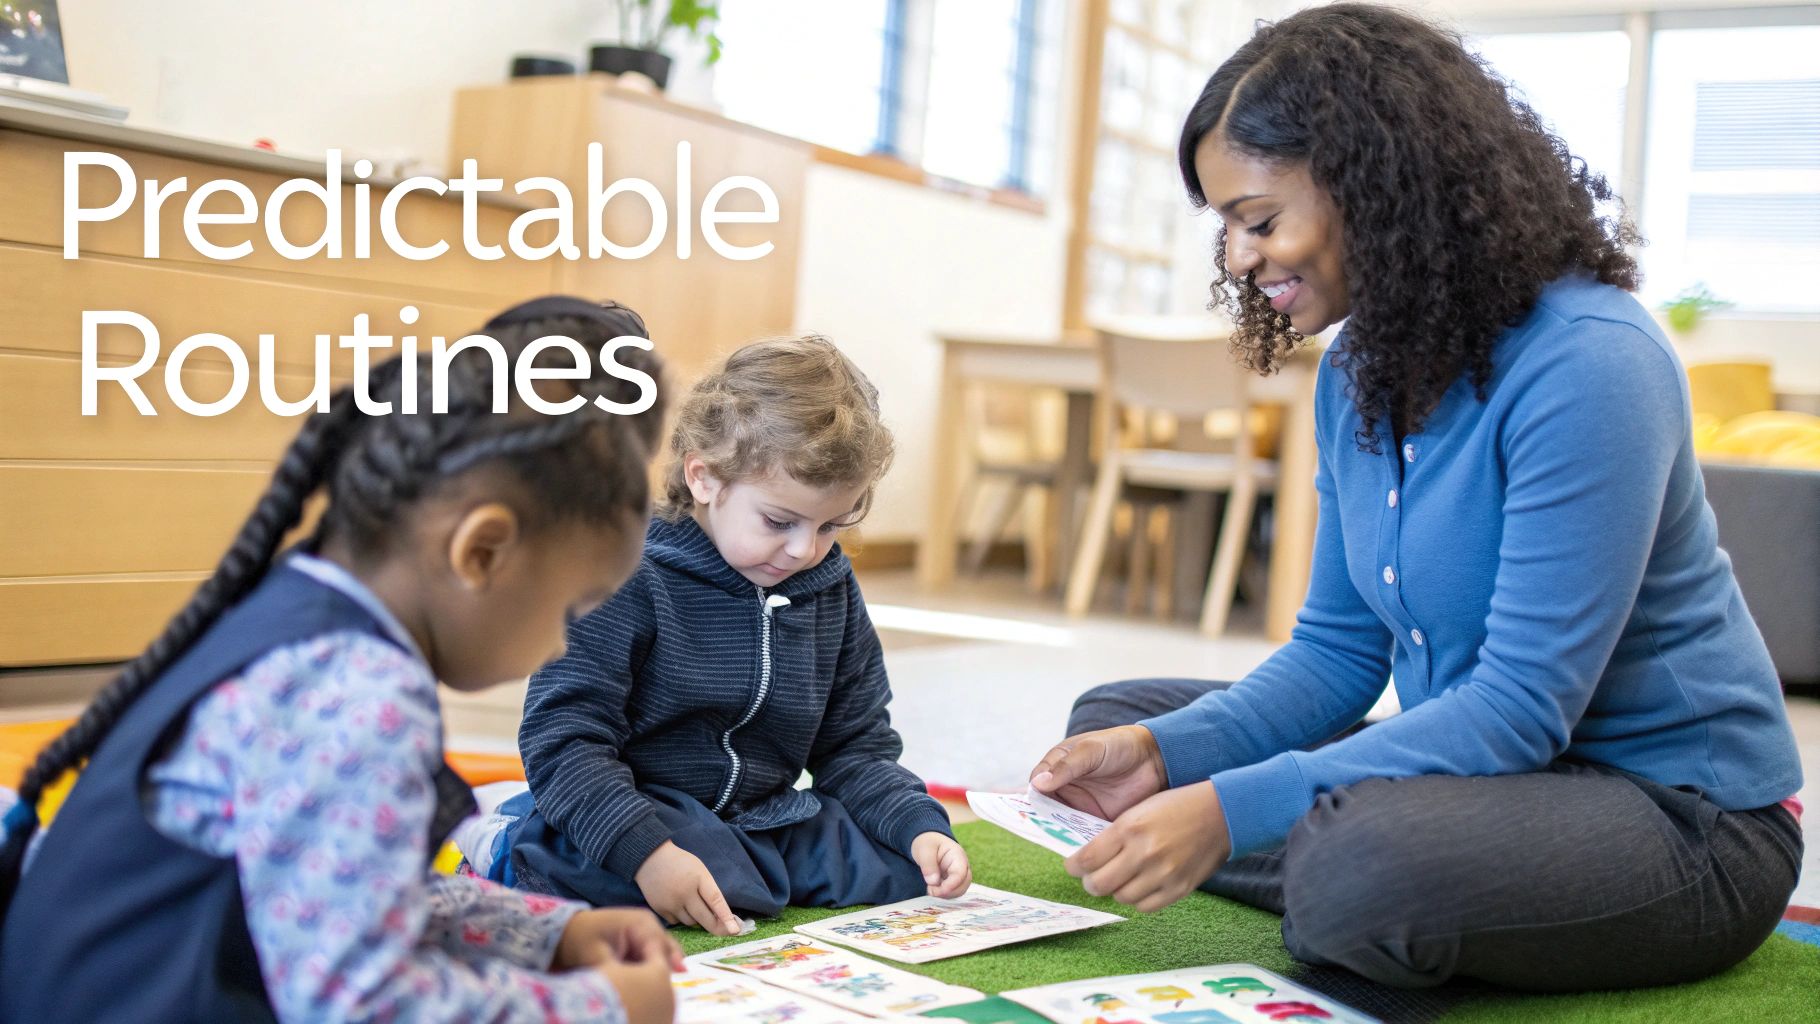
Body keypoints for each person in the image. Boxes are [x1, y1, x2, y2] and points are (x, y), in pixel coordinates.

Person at [1030, 2, 1804, 993]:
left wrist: (1229, 808)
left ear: (1375, 186)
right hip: (1486, 783)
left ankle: (1348, 870)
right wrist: (1160, 752)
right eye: (1225, 227)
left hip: (1677, 817)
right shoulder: (1351, 368)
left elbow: (1520, 709)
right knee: (1120, 724)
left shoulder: (1591, 361)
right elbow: (1335, 653)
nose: (1234, 258)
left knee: (1357, 868)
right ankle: (1336, 856)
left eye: (1257, 221)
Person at [0, 296, 683, 1023]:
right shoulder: (362, 691)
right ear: (480, 552)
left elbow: (337, 886)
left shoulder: (302, 614)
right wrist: (602, 1008)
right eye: (573, 608)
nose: (562, 645)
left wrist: (549, 932)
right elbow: (361, 1006)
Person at [474, 334, 970, 936]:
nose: (804, 550)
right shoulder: (619, 574)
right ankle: (502, 834)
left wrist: (917, 826)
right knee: (653, 866)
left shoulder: (828, 585)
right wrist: (651, 856)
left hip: (764, 818)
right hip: (642, 807)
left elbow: (856, 747)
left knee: (900, 865)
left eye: (832, 526)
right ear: (704, 478)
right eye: (779, 522)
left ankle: (743, 869)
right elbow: (564, 742)